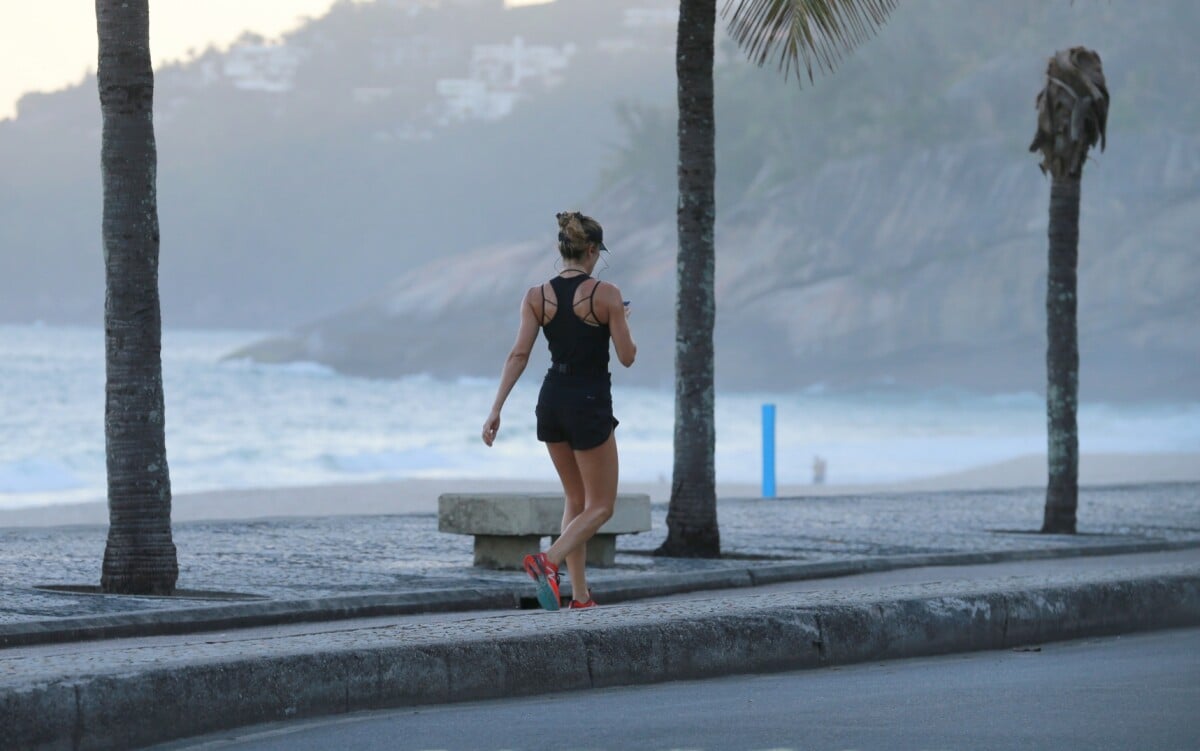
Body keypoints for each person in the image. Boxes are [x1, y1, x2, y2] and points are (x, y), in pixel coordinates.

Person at [482, 211, 636, 611]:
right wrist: (621, 321)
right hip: (588, 404)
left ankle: (581, 597)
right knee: (601, 506)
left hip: (550, 402)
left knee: (575, 497)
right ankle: (546, 561)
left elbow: (519, 354)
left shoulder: (536, 296)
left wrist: (496, 408)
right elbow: (627, 357)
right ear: (590, 250)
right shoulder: (607, 294)